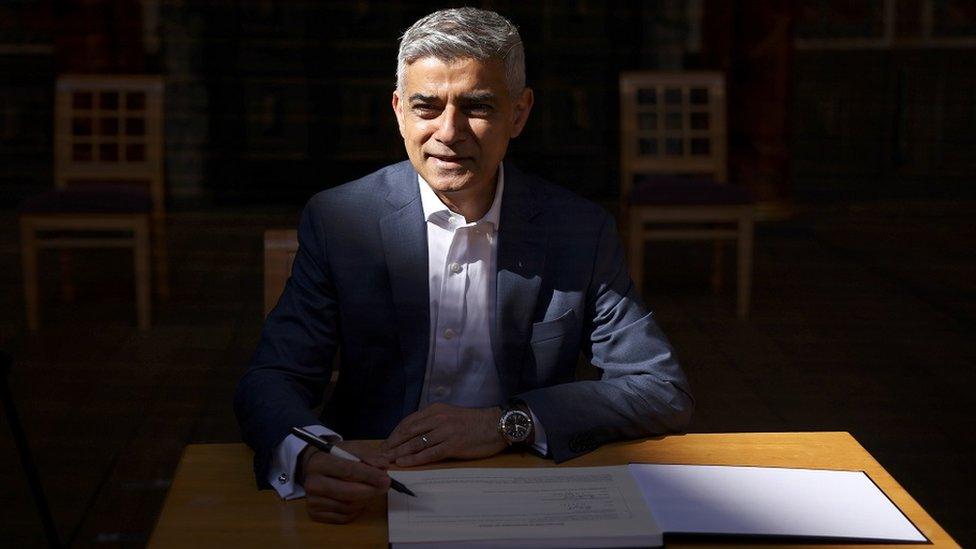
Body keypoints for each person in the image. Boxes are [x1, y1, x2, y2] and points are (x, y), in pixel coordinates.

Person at [234, 7, 693, 524]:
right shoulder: (340, 220)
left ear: (519, 115)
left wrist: (508, 423)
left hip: (522, 484)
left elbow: (660, 388)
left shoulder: (578, 230)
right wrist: (312, 456)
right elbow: (272, 378)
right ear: (398, 111)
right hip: (372, 485)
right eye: (426, 106)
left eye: (477, 106)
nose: (448, 133)